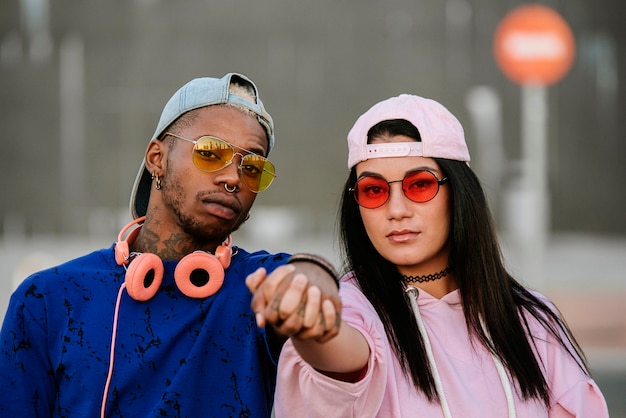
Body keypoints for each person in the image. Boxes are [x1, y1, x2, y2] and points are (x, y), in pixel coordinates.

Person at [247, 94, 609, 417]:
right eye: (373, 191)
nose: (397, 209)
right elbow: (341, 356)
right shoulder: (355, 309)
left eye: (419, 184)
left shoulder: (531, 320)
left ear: (460, 193)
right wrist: (314, 328)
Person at [0, 72, 340, 417]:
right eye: (211, 152)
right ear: (157, 158)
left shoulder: (261, 289)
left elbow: (310, 274)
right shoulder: (46, 300)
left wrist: (313, 285)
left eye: (253, 167)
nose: (233, 178)